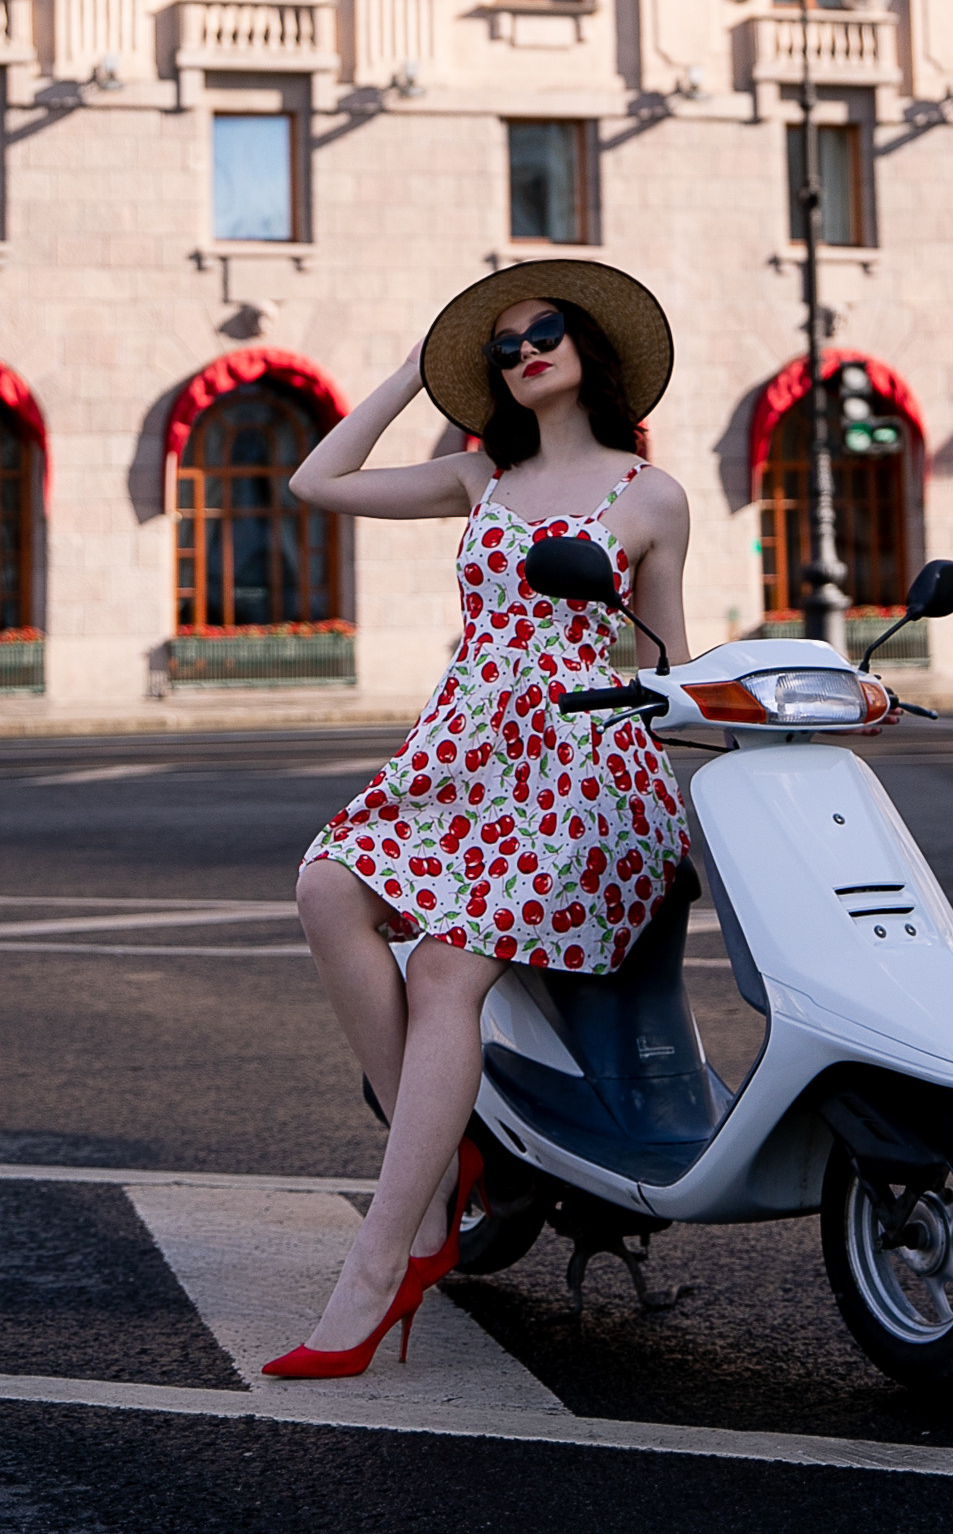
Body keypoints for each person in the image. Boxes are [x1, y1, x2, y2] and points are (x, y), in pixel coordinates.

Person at [265, 261, 692, 1379]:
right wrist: (418, 363)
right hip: (465, 758)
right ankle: (445, 1148)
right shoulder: (476, 478)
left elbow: (670, 664)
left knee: (447, 970)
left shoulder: (650, 496)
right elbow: (317, 480)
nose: (524, 350)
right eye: (500, 345)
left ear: (591, 344)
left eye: (543, 329)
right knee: (325, 886)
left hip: (589, 772)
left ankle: (382, 1259)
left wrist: (792, 720)